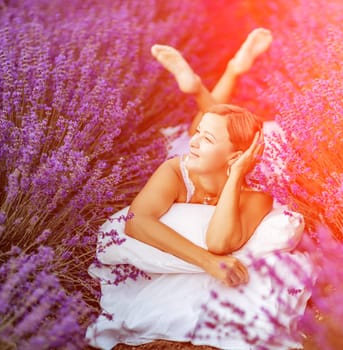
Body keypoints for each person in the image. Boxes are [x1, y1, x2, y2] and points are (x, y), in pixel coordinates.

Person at [86, 28, 315, 350]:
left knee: (228, 127)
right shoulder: (176, 167)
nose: (193, 143)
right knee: (204, 124)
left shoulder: (259, 193)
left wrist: (236, 177)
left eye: (204, 140)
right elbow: (137, 222)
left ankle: (215, 81)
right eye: (198, 137)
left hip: (236, 168)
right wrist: (206, 263)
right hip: (216, 157)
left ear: (236, 158)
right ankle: (214, 80)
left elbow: (220, 242)